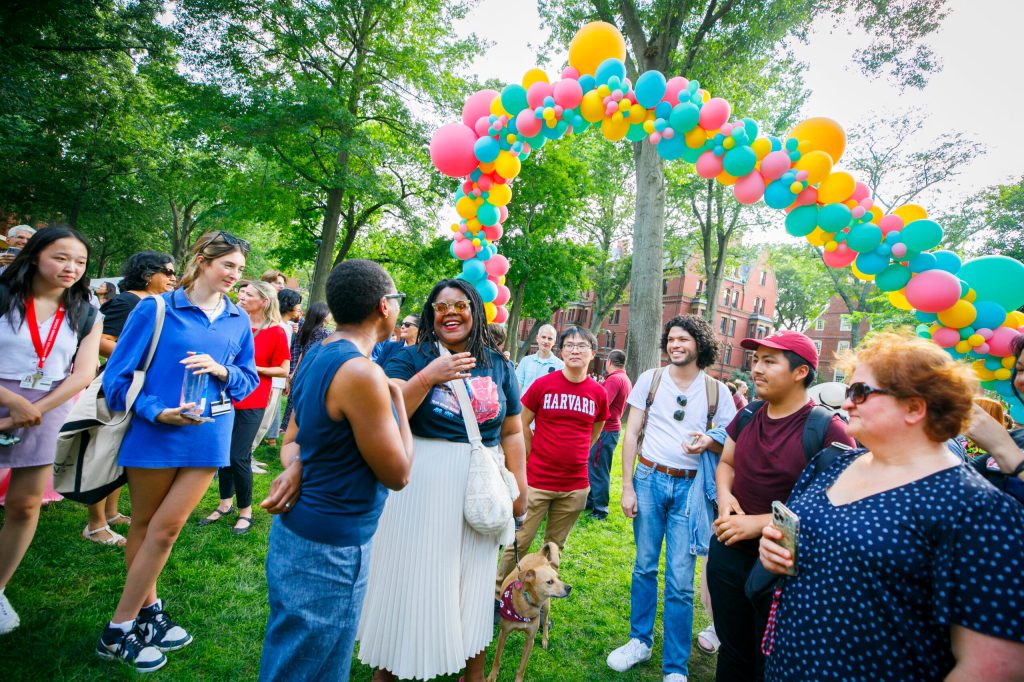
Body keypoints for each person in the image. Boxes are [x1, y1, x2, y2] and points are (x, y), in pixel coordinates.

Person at [758, 332, 1024, 680]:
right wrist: (773, 549)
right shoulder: (832, 463)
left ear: (915, 407)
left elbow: (994, 667)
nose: (846, 403)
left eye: (859, 392)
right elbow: (800, 543)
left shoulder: (979, 508)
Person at [97, 231, 258, 672]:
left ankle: (121, 625)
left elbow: (249, 381)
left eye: (241, 269)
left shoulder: (238, 319)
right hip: (155, 433)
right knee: (146, 526)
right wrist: (156, 412)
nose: (234, 275)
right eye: (228, 265)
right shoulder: (156, 308)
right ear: (202, 261)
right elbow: (117, 378)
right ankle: (141, 617)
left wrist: (222, 369)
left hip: (209, 436)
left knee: (166, 530)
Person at [357, 279, 527, 682]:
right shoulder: (410, 358)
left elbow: (513, 429)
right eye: (441, 306)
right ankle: (390, 669)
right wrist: (429, 377)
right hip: (421, 486)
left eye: (461, 305)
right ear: (431, 314)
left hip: (480, 488)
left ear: (475, 311)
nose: (450, 312)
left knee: (473, 582)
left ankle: (472, 672)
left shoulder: (497, 363)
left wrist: (520, 484)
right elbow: (388, 412)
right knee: (411, 577)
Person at [257, 260, 414, 682]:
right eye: (397, 300)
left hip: (298, 533)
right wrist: (398, 401)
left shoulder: (318, 352)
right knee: (304, 667)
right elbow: (397, 474)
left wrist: (301, 467)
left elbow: (293, 441)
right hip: (332, 549)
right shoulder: (363, 373)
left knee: (304, 657)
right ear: (384, 306)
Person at [708, 330, 854, 681]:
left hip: (783, 566)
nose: (756, 369)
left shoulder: (828, 428)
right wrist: (726, 497)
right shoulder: (749, 414)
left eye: (769, 361)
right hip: (729, 551)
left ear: (800, 372)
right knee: (732, 650)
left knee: (769, 656)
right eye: (756, 360)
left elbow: (838, 507)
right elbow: (726, 463)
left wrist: (759, 523)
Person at [607, 315, 737, 682]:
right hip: (648, 480)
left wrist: (707, 441)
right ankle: (639, 641)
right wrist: (628, 486)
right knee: (644, 566)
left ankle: (675, 666)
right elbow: (630, 433)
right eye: (672, 339)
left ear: (700, 345)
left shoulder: (718, 391)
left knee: (681, 580)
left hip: (691, 490)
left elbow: (729, 440)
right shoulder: (651, 379)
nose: (676, 345)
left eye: (684, 339)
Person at [0, 226, 102, 635]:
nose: (71, 268)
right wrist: (12, 403)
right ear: (37, 255)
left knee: (24, 506)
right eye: (61, 257)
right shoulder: (5, 294)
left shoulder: (86, 309)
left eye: (79, 261)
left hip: (48, 408)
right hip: (10, 398)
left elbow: (83, 373)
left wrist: (33, 409)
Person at [495, 326, 608, 596]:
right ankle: (498, 593)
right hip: (537, 480)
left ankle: (541, 597)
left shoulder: (598, 393)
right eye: (569, 345)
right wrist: (534, 451)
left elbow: (596, 430)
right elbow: (521, 423)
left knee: (554, 547)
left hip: (575, 485)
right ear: (562, 351)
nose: (575, 350)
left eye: (582, 346)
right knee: (519, 540)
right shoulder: (543, 385)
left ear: (593, 353)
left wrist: (576, 453)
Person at [85, 251, 177, 547]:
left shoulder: (159, 304)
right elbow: (101, 341)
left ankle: (111, 513)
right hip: (119, 385)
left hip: (140, 388)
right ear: (148, 274)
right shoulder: (128, 301)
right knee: (107, 451)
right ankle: (95, 523)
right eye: (168, 272)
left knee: (121, 453)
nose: (174, 278)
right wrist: (137, 358)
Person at [198, 280, 289, 534]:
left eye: (249, 294)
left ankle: (246, 511)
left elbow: (283, 369)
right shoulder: (235, 323)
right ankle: (224, 503)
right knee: (223, 453)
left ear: (264, 301)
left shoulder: (276, 331)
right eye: (241, 292)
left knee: (239, 456)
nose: (241, 296)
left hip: (253, 399)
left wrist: (252, 368)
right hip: (225, 396)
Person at [586, 349, 632, 520]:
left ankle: (600, 508)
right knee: (595, 466)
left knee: (598, 468)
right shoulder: (624, 378)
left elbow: (603, 404)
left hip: (606, 429)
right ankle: (591, 500)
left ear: (609, 362)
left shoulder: (614, 379)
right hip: (611, 428)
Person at [256, 288, 303, 449]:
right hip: (271, 379)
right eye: (297, 304)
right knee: (261, 420)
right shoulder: (278, 327)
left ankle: (248, 456)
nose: (299, 308)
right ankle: (246, 456)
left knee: (266, 421)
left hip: (278, 379)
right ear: (288, 305)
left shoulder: (287, 326)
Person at [280, 302, 331, 433]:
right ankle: (299, 426)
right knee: (306, 399)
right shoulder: (325, 333)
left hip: (302, 367)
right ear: (324, 316)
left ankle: (285, 426)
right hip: (313, 368)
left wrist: (293, 371)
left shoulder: (305, 329)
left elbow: (301, 350)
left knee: (293, 398)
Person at [515, 324, 563, 394]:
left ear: (554, 342)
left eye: (550, 338)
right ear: (537, 338)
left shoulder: (560, 366)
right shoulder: (525, 361)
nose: (546, 341)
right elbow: (517, 386)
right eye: (543, 337)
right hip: (524, 404)